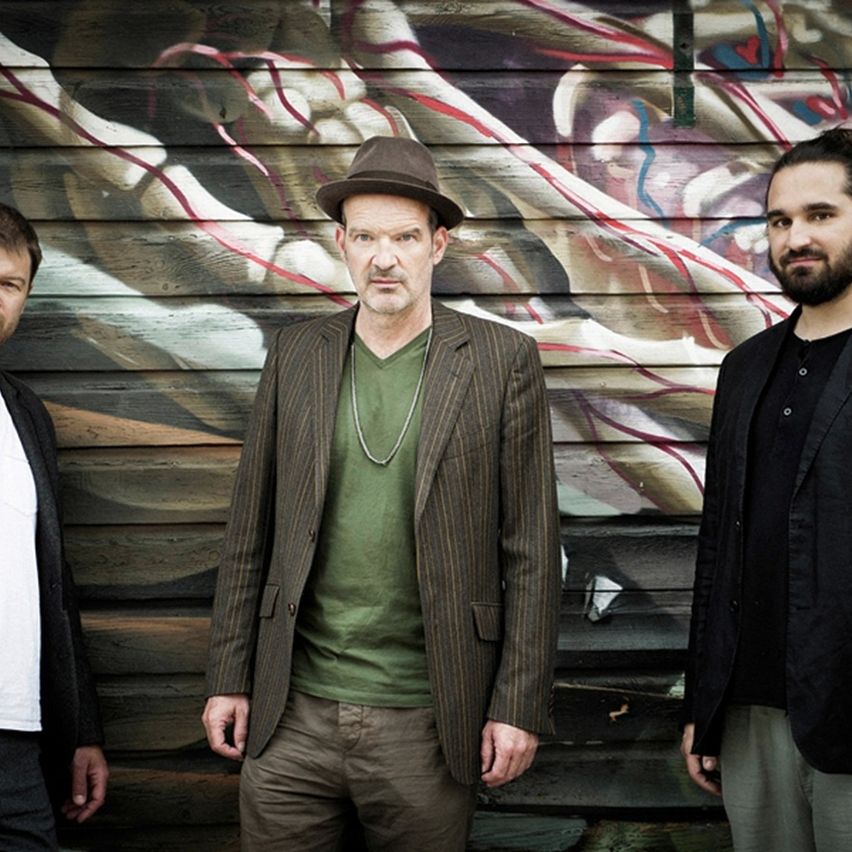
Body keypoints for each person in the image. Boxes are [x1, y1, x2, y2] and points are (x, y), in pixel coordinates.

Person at [202, 135, 562, 850]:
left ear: (439, 244)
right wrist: (229, 675)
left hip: (429, 716)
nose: (383, 257)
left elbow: (532, 548)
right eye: (365, 237)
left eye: (404, 237)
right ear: (341, 243)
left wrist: (518, 704)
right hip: (290, 712)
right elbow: (250, 531)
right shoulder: (297, 354)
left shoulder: (501, 361)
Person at [681, 127, 852, 851]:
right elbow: (718, 546)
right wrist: (704, 704)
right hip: (750, 713)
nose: (795, 238)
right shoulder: (745, 367)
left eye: (820, 215)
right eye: (780, 221)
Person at [0, 202, 108, 849]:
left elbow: (52, 586)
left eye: (9, 284)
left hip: (18, 742)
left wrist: (80, 731)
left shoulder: (25, 415)